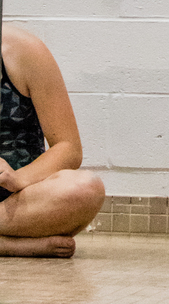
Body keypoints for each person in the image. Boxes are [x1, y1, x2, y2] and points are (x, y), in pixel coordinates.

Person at [0, 24, 105, 257]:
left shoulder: (25, 50)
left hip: (19, 202)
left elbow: (68, 148)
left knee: (86, 188)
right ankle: (8, 245)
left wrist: (18, 178)